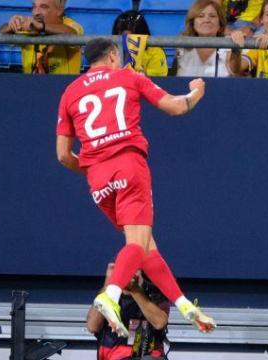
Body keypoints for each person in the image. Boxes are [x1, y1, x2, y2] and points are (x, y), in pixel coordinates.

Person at [56, 38, 216, 337]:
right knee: (135, 244)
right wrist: (197, 92)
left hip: (97, 179)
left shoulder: (70, 92)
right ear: (114, 55)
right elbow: (177, 107)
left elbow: (63, 155)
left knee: (143, 247)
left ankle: (183, 304)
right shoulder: (128, 76)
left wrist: (94, 168)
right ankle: (110, 295)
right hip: (129, 165)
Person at [87, 263, 170, 360]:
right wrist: (109, 284)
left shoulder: (154, 293)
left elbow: (160, 323)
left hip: (149, 355)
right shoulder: (109, 294)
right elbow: (92, 326)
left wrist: (134, 289)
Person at [0, 0, 83, 74]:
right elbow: (1, 32)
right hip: (31, 86)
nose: (36, 12)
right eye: (34, 7)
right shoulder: (30, 26)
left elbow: (72, 33)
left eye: (44, 7)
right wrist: (11, 25)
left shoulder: (71, 25)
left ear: (60, 10)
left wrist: (42, 26)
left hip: (63, 88)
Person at [172, 0, 238, 77]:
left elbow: (236, 74)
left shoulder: (229, 46)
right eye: (201, 16)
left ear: (220, 24)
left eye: (212, 16)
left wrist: (236, 46)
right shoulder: (182, 47)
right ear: (192, 23)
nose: (207, 20)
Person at [111, 10, 168, 77]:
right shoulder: (110, 52)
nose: (127, 42)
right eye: (123, 38)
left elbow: (157, 82)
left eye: (132, 39)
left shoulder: (155, 53)